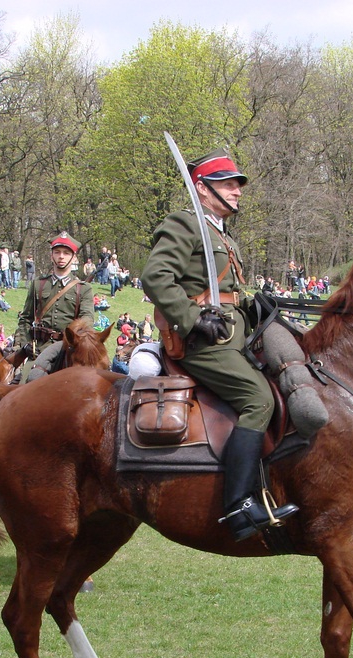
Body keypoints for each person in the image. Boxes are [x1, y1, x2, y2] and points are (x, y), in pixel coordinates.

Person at [141, 149, 312, 542]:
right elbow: (156, 275)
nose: (237, 191)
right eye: (229, 184)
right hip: (202, 343)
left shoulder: (222, 235)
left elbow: (227, 296)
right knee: (259, 400)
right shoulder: (185, 224)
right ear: (202, 188)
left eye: (238, 185)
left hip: (233, 338)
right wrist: (191, 317)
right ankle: (238, 505)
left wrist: (257, 308)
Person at [14, 234, 93, 377]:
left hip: (69, 351)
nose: (61, 256)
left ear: (74, 258)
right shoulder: (38, 284)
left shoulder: (83, 288)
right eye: (57, 252)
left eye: (66, 253)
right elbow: (25, 318)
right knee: (26, 381)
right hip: (39, 350)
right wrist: (27, 344)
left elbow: (87, 320)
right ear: (51, 256)